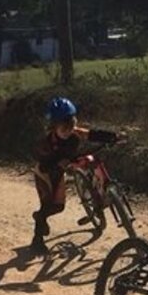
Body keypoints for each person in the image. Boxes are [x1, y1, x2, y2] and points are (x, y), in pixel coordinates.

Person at [29, 97, 118, 257]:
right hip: (46, 173)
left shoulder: (74, 132)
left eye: (71, 126)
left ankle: (97, 198)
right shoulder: (46, 143)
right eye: (64, 128)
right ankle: (37, 238)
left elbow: (93, 134)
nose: (68, 131)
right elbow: (43, 165)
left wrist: (114, 136)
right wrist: (60, 163)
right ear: (54, 127)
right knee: (50, 206)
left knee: (59, 206)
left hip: (60, 169)